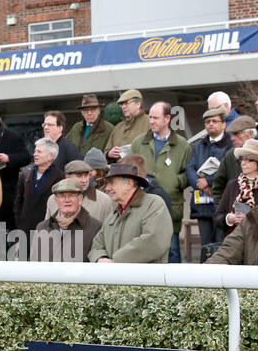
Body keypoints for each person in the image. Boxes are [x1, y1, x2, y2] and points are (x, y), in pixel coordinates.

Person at [130, 100, 191, 262]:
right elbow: (129, 169)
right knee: (143, 253)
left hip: (171, 206)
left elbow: (189, 173)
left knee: (172, 252)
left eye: (156, 118)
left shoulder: (183, 145)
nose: (151, 121)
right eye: (150, 117)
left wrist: (175, 181)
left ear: (167, 119)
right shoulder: (138, 142)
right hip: (142, 206)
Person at [89, 161, 173, 264]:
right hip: (115, 278)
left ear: (129, 183)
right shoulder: (113, 215)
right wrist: (101, 258)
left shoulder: (154, 204)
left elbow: (154, 241)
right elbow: (97, 245)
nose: (107, 188)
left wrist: (115, 261)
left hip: (146, 279)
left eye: (112, 183)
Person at [187, 107, 233, 254]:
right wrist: (200, 184)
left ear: (224, 124)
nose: (210, 124)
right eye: (207, 122)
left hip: (221, 203)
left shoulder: (230, 144)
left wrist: (210, 181)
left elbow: (227, 169)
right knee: (205, 247)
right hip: (202, 205)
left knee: (221, 245)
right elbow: (190, 168)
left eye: (214, 121)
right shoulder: (198, 145)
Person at [213, 137, 258, 240]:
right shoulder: (233, 185)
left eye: (249, 160)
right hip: (234, 242)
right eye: (242, 159)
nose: (243, 163)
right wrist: (229, 218)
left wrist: (252, 220)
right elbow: (217, 216)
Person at [32, 180, 100, 261]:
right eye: (61, 196)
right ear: (56, 200)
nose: (67, 200)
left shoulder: (95, 227)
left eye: (71, 195)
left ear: (80, 198)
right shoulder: (42, 227)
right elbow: (34, 260)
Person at [13, 138, 65, 236]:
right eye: (35, 151)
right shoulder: (26, 173)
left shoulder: (60, 177)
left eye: (39, 152)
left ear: (50, 156)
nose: (34, 154)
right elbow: (18, 201)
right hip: (25, 231)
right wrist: (20, 222)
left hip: (48, 231)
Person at [46, 158, 113, 223]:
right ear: (67, 177)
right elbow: (47, 228)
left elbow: (108, 230)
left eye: (86, 175)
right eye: (79, 176)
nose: (84, 180)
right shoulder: (53, 200)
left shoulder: (104, 200)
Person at [105, 89, 150, 161]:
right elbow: (107, 151)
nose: (123, 107)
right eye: (122, 104)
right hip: (121, 170)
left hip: (142, 170)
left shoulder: (150, 122)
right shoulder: (118, 127)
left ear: (138, 104)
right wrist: (109, 154)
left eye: (126, 103)